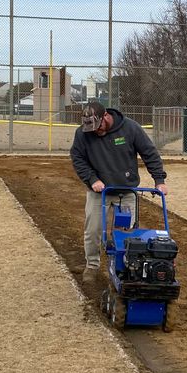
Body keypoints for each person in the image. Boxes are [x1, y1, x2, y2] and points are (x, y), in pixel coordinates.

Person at [70, 100, 167, 283]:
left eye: (98, 127)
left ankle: (127, 267)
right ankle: (92, 265)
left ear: (105, 116)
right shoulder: (82, 134)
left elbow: (149, 153)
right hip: (99, 191)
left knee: (127, 234)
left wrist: (159, 180)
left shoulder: (130, 128)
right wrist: (92, 180)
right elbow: (78, 159)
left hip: (126, 191)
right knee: (92, 231)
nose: (96, 131)